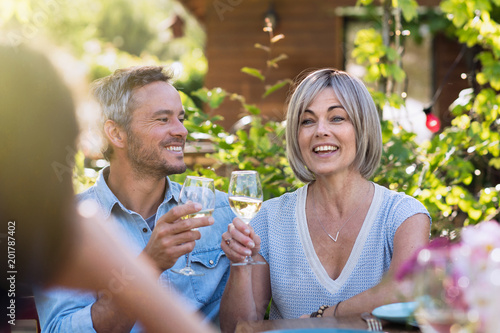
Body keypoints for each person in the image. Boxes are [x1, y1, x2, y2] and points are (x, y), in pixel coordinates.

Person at [0, 44, 216, 333]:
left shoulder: (219, 211)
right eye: (163, 119)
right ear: (115, 134)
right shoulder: (69, 225)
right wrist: (147, 266)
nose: (181, 130)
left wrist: (245, 266)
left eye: (181, 118)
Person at [219, 68, 431, 332]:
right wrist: (240, 264)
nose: (320, 131)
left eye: (337, 118)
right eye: (307, 121)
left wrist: (327, 315)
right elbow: (237, 328)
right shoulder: (270, 218)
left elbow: (405, 290)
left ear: (362, 128)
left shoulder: (403, 214)